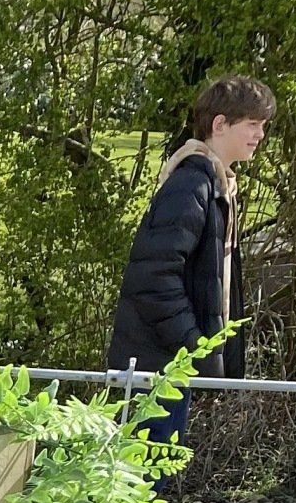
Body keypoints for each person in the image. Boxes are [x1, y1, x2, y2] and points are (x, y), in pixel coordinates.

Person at [108, 73, 276, 443]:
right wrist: (196, 347)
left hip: (170, 366)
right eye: (252, 124)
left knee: (154, 470)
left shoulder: (214, 184)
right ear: (220, 124)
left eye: (262, 125)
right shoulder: (191, 186)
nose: (260, 135)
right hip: (157, 367)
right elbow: (154, 280)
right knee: (145, 470)